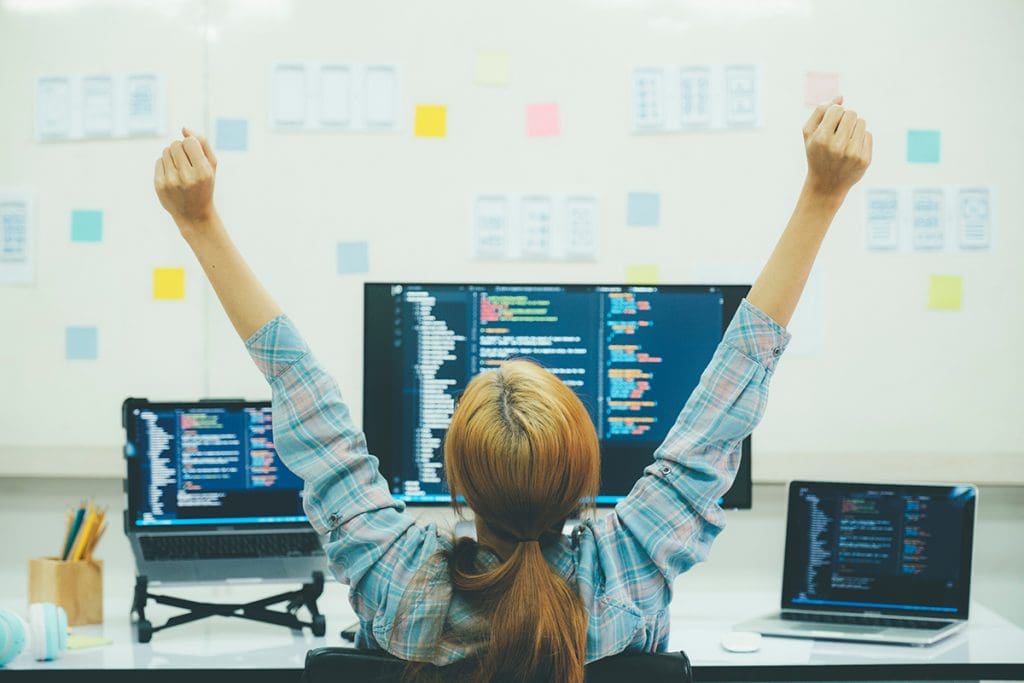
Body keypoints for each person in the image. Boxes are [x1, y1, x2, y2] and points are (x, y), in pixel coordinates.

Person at [153, 97, 871, 683]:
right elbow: (730, 391)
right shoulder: (632, 563)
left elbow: (302, 393)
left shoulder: (394, 574)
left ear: (456, 481)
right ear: (586, 473)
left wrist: (198, 221)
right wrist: (821, 194)